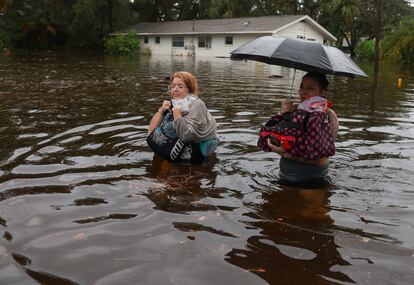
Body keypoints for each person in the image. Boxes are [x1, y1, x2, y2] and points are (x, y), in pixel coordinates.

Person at [258, 72, 339, 185]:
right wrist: (282, 113)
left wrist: (284, 154)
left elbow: (318, 159)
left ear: (322, 92)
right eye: (301, 87)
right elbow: (272, 133)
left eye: (310, 88)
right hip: (285, 176)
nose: (303, 92)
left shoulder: (328, 115)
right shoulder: (294, 110)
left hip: (312, 180)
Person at [147, 71, 219, 163]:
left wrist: (177, 113)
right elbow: (150, 133)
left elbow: (187, 135)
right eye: (172, 86)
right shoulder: (173, 103)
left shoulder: (197, 105)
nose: (175, 90)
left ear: (189, 89)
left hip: (197, 151)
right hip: (176, 150)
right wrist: (161, 111)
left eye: (180, 86)